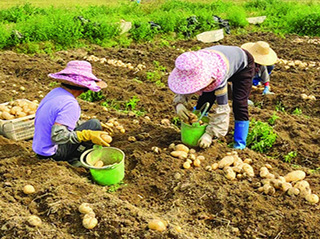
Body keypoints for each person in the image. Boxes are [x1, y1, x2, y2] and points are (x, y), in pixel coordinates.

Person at [168, 45, 255, 149]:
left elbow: (222, 110)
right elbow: (184, 84)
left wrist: (210, 134)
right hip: (219, 59)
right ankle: (196, 125)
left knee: (239, 103)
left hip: (243, 65)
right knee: (205, 99)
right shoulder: (190, 65)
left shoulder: (217, 75)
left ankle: (239, 143)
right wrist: (179, 103)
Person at [32, 60, 110, 165]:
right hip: (52, 153)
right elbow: (57, 136)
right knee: (93, 125)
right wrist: (86, 135)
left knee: (93, 123)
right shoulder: (70, 104)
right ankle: (75, 159)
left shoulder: (55, 92)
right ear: (85, 88)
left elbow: (59, 121)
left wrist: (84, 126)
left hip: (40, 148)